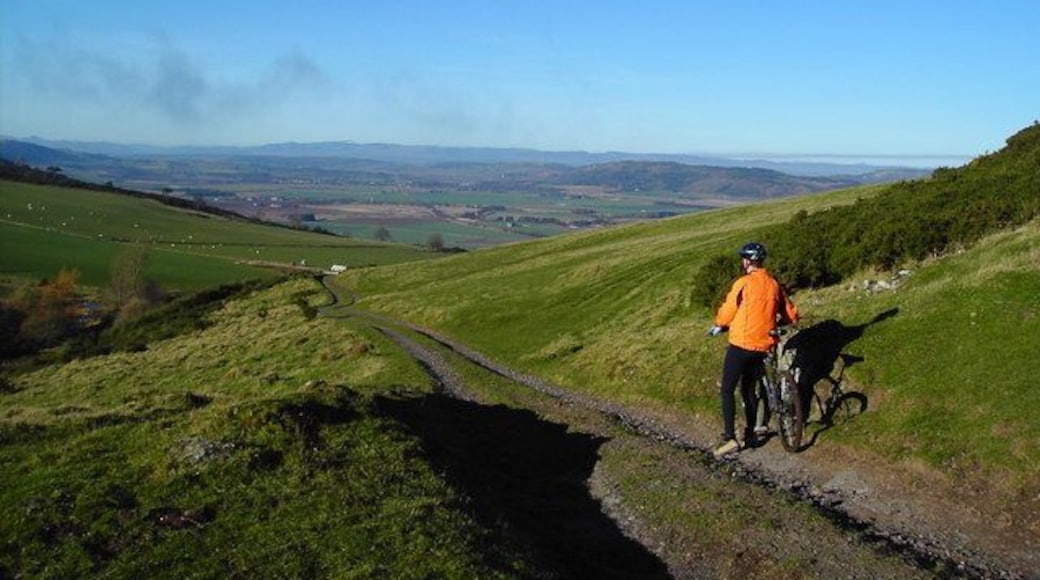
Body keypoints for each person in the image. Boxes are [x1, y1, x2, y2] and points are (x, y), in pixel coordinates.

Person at [707, 242, 799, 457]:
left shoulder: (743, 283)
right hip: (764, 344)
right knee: (749, 389)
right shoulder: (774, 284)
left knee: (727, 389)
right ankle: (750, 433)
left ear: (747, 261)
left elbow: (727, 312)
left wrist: (720, 324)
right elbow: (791, 315)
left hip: (741, 344)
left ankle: (730, 438)